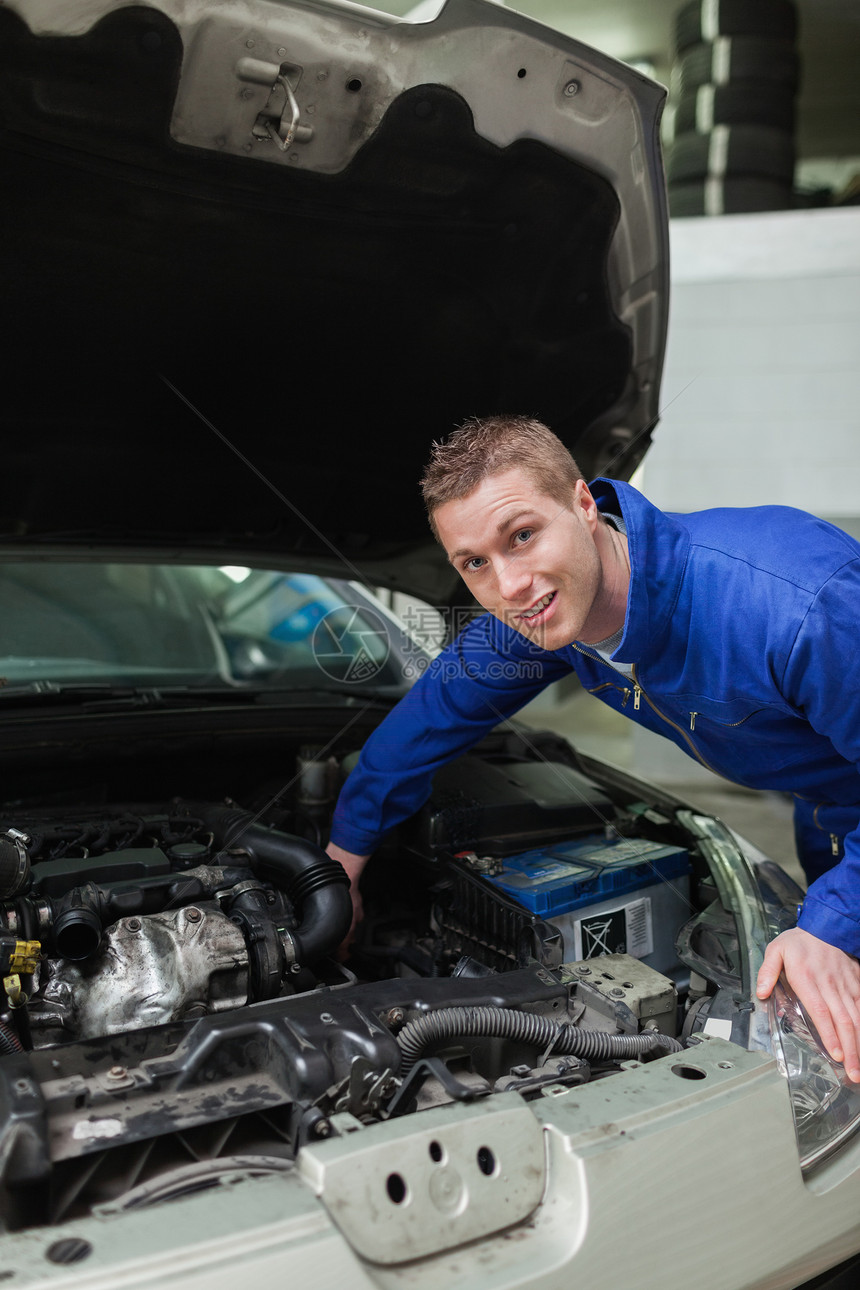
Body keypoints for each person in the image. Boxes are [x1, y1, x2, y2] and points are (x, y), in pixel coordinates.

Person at [326, 414, 860, 1082]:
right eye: (475, 563)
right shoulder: (547, 614)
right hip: (832, 810)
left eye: (522, 536)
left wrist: (836, 923)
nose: (509, 586)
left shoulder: (794, 607)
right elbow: (431, 716)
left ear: (584, 504)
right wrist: (344, 858)